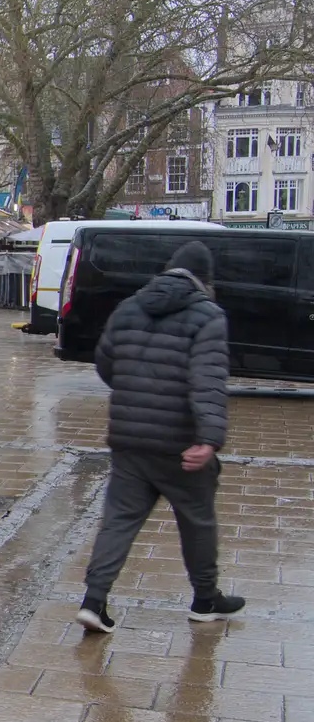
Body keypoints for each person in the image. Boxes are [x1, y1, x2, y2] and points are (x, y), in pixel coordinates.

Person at [77, 241, 244, 633]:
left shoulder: (129, 306)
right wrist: (209, 438)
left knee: (118, 521)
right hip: (180, 443)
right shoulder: (208, 316)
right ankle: (205, 599)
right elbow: (208, 380)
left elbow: (105, 361)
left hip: (129, 439)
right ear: (205, 280)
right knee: (197, 520)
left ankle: (93, 601)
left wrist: (134, 391)